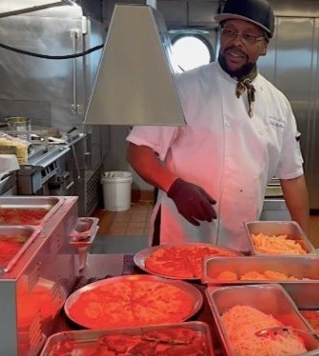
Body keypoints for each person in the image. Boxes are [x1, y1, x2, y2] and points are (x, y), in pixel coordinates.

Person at [126, 0, 309, 252]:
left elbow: (293, 177)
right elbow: (138, 151)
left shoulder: (279, 104)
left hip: (241, 239)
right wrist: (175, 187)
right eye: (229, 31)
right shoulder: (182, 87)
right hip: (180, 231)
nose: (236, 42)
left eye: (248, 36)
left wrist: (305, 245)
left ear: (264, 45)